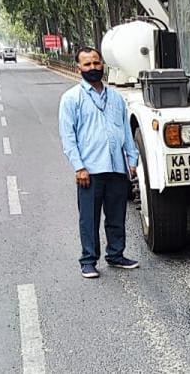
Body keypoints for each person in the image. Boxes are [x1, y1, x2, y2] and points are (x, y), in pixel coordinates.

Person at [59, 47, 140, 279]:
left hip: (116, 166)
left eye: (96, 63)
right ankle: (88, 261)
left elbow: (125, 130)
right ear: (79, 68)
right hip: (90, 170)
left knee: (116, 215)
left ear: (102, 64)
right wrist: (79, 166)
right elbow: (68, 136)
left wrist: (131, 159)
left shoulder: (115, 97)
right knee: (89, 218)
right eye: (87, 64)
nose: (93, 68)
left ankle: (116, 255)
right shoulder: (71, 99)